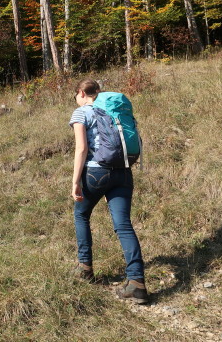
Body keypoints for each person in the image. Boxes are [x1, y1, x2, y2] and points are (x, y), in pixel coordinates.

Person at [69, 78, 148, 304]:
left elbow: (82, 148)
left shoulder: (81, 112)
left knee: (81, 214)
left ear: (82, 93)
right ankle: (137, 283)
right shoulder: (115, 111)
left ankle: (85, 268)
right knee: (123, 225)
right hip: (123, 172)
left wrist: (76, 181)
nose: (76, 100)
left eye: (76, 95)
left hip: (95, 172)